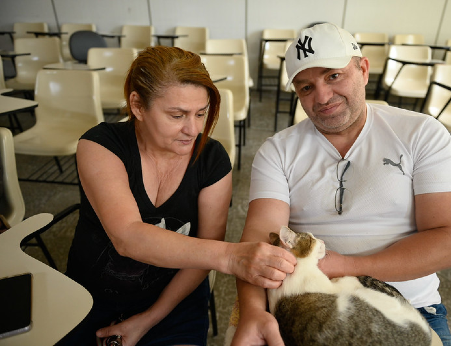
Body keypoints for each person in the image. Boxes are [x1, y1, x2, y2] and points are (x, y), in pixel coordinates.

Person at [232, 23, 451, 346]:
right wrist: (251, 314)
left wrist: (342, 265)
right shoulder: (276, 151)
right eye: (305, 88)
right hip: (313, 311)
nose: (322, 97)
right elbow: (258, 245)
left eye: (333, 76)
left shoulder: (422, 134)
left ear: (364, 69)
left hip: (410, 307)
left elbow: (450, 241)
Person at [57, 46, 296, 346]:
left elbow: (201, 256)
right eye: (176, 115)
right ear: (138, 106)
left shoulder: (212, 160)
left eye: (200, 113)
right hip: (88, 297)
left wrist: (150, 318)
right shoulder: (100, 145)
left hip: (173, 301)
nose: (193, 129)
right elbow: (127, 236)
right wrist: (232, 256)